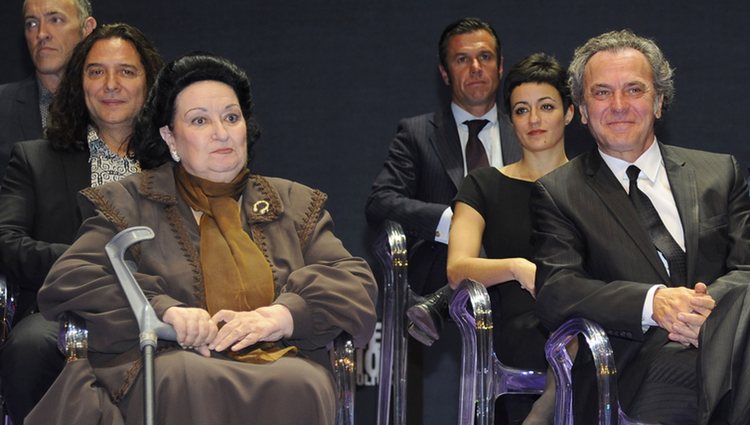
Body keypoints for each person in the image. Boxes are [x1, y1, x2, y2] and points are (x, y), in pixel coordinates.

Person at [26, 53, 378, 425]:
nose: (221, 133)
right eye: (199, 120)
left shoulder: (291, 203)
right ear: (170, 138)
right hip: (168, 359)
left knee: (304, 380)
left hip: (278, 359)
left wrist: (284, 315)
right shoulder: (131, 201)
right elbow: (74, 277)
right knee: (184, 376)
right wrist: (164, 311)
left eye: (231, 117)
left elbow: (352, 281)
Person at [532, 30, 750, 424]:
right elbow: (557, 292)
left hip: (731, 348)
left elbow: (747, 268)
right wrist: (655, 304)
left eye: (634, 89)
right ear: (581, 110)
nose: (619, 105)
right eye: (601, 93)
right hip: (628, 370)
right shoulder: (559, 193)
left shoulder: (720, 173)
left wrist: (705, 317)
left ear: (660, 101)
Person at [0, 23, 163, 425]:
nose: (110, 84)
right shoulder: (35, 159)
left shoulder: (176, 163)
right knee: (29, 345)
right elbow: (6, 242)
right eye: (95, 72)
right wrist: (88, 265)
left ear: (150, 84)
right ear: (79, 83)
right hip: (60, 310)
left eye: (126, 71)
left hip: (162, 307)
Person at [366, 17, 521, 345]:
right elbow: (381, 202)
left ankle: (437, 306)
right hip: (441, 261)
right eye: (462, 59)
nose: (476, 67)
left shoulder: (525, 132)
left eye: (485, 57)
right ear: (444, 72)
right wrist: (456, 223)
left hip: (516, 273)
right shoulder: (418, 133)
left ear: (500, 66)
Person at [441, 53, 573, 425]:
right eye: (520, 110)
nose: (534, 120)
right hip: (524, 323)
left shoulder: (595, 184)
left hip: (585, 312)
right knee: (573, 330)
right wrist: (516, 268)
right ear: (509, 119)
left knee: (593, 321)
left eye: (546, 107)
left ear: (570, 112)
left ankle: (543, 411)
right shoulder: (484, 184)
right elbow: (457, 268)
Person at [0, 0, 96, 177]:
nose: (41, 33)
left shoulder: (111, 105)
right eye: (32, 23)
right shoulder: (3, 105)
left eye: (55, 20)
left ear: (87, 29)